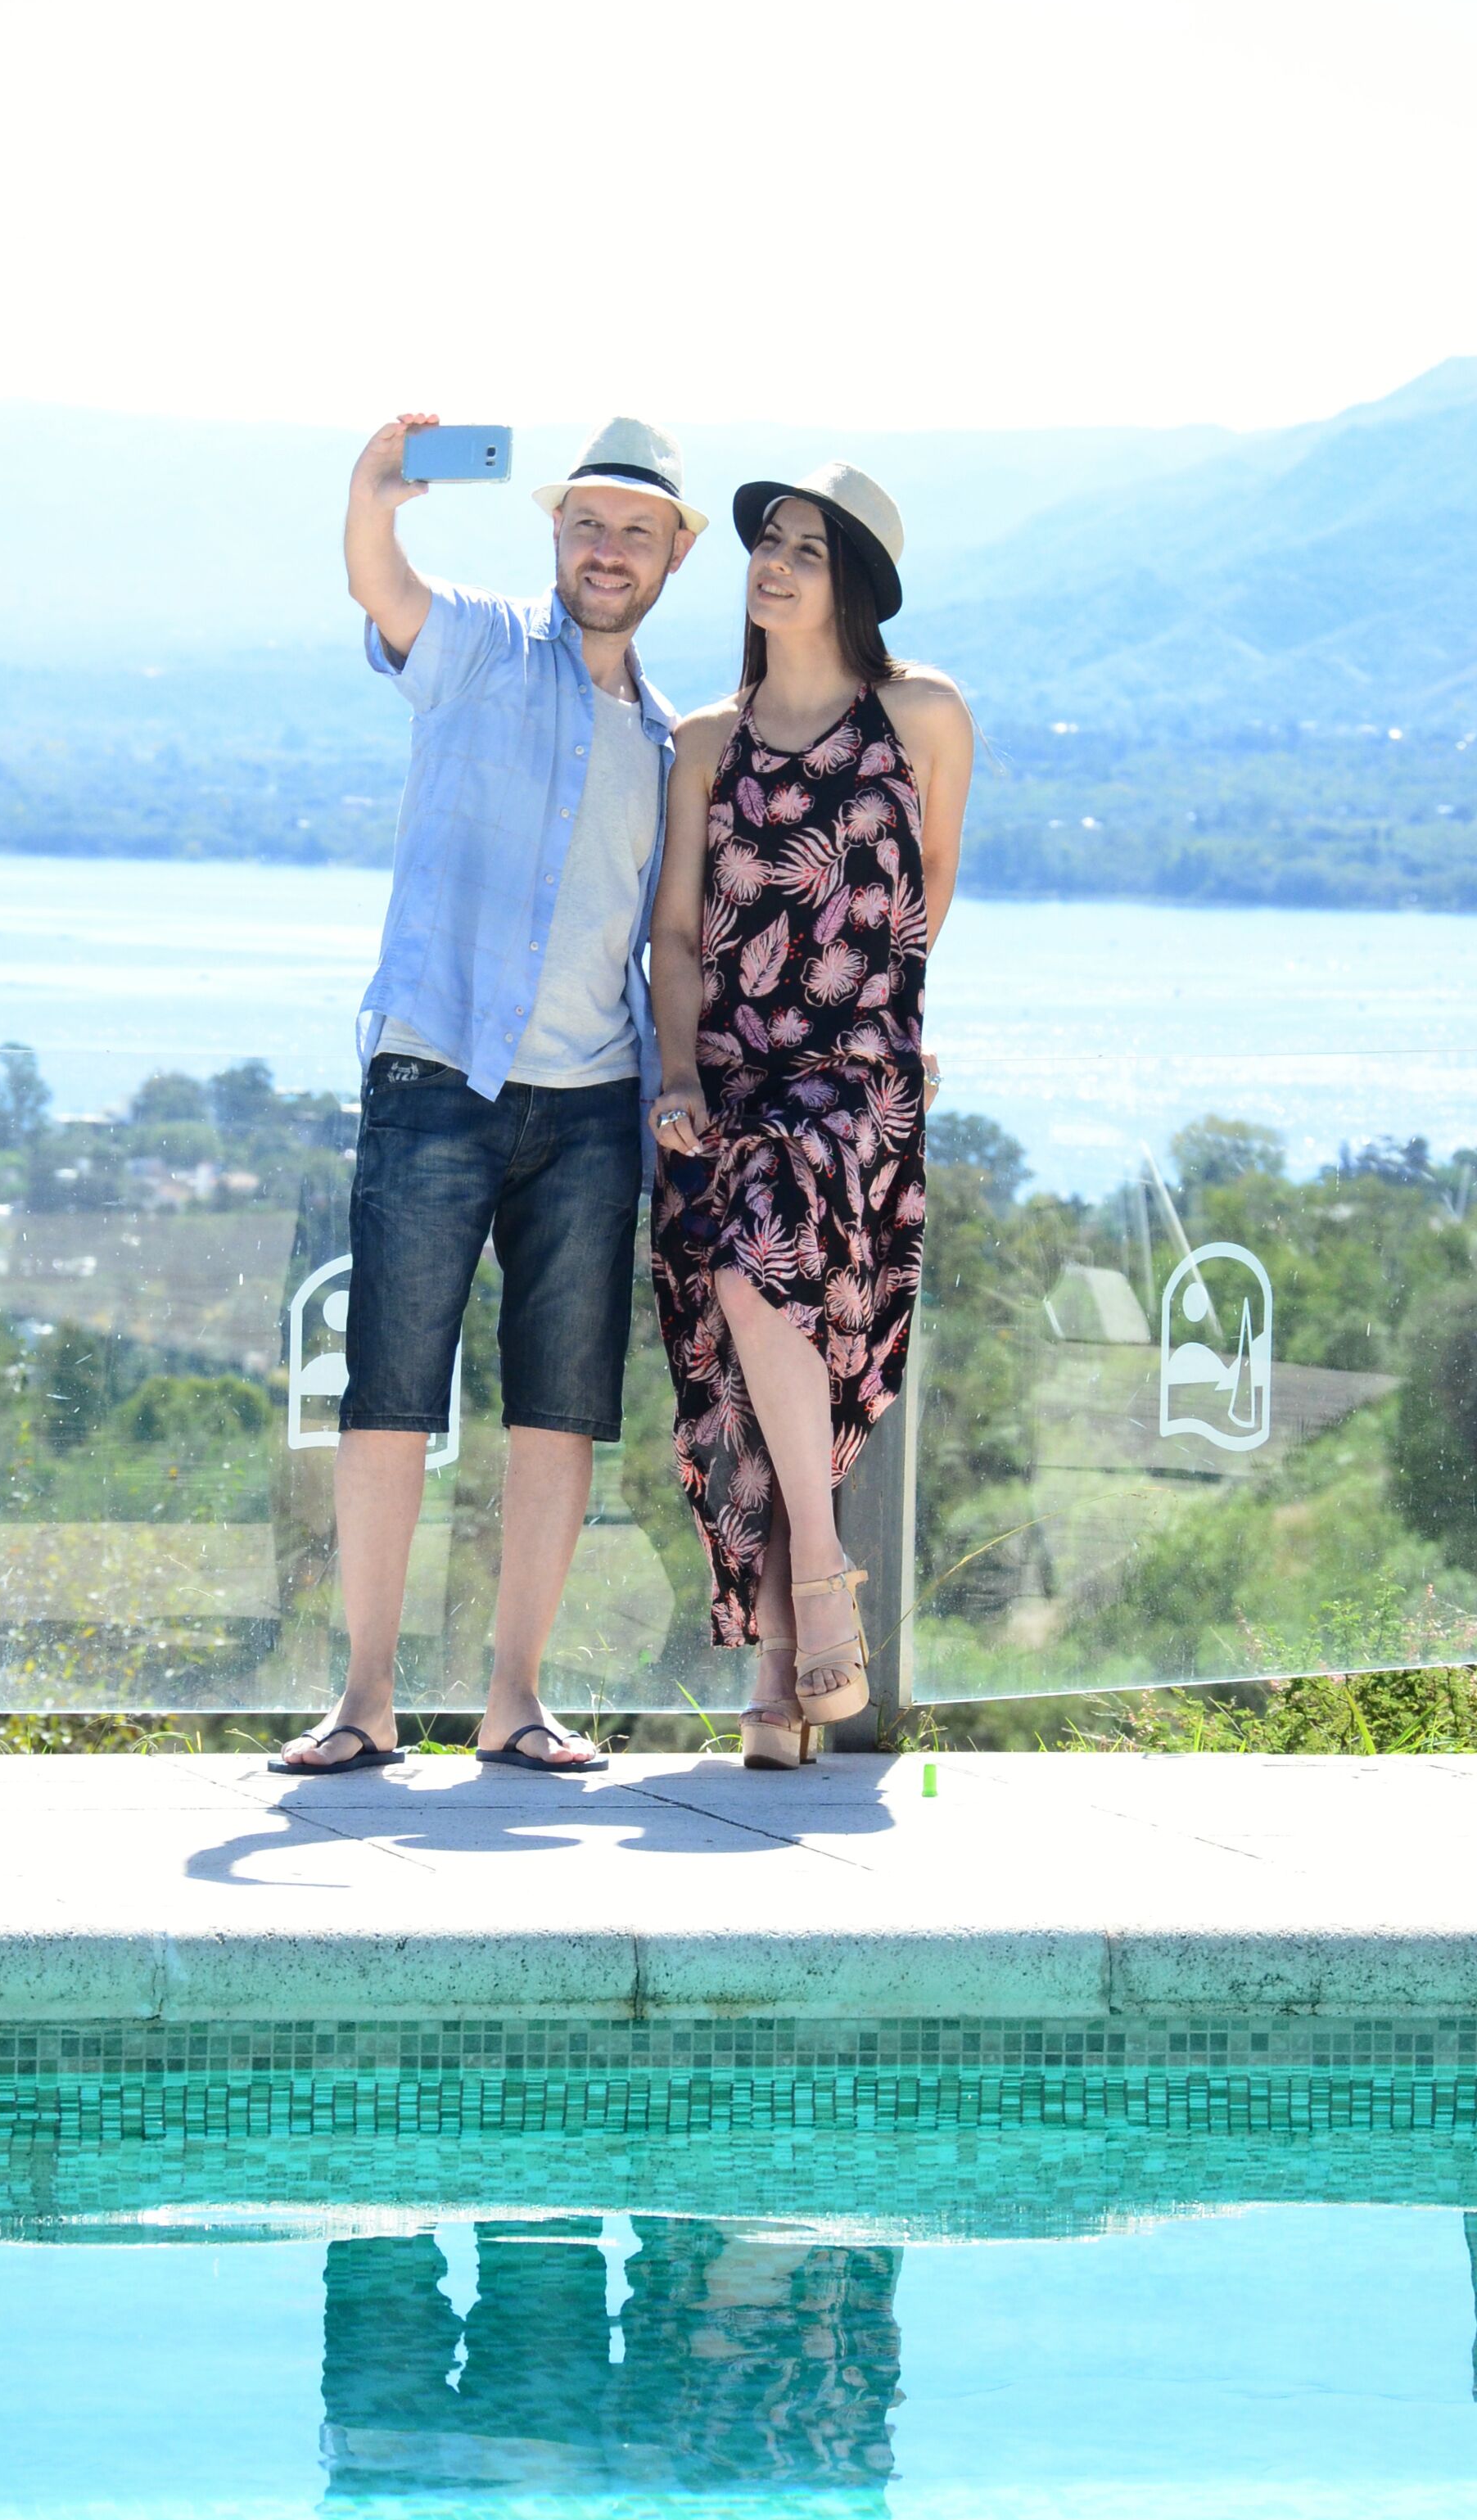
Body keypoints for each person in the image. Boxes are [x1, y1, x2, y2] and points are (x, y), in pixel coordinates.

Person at [275, 416, 703, 1775]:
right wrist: (373, 496)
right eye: (588, 523)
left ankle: (514, 1700)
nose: (607, 548)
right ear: (555, 534)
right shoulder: (469, 643)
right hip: (435, 1074)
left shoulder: (668, 742)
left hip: (589, 1105)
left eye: (636, 530)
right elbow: (375, 584)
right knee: (390, 1389)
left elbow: (681, 940)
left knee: (558, 1408)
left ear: (673, 557)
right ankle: (364, 1700)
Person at [648, 464, 973, 1767]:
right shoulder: (705, 745)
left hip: (855, 1089)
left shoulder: (924, 715)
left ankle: (821, 1579)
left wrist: (880, 1035)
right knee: (746, 1355)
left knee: (754, 1256)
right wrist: (677, 1075)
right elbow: (675, 933)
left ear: (857, 584)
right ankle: (785, 1672)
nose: (772, 565)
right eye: (765, 544)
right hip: (725, 1082)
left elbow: (927, 887)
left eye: (806, 549)